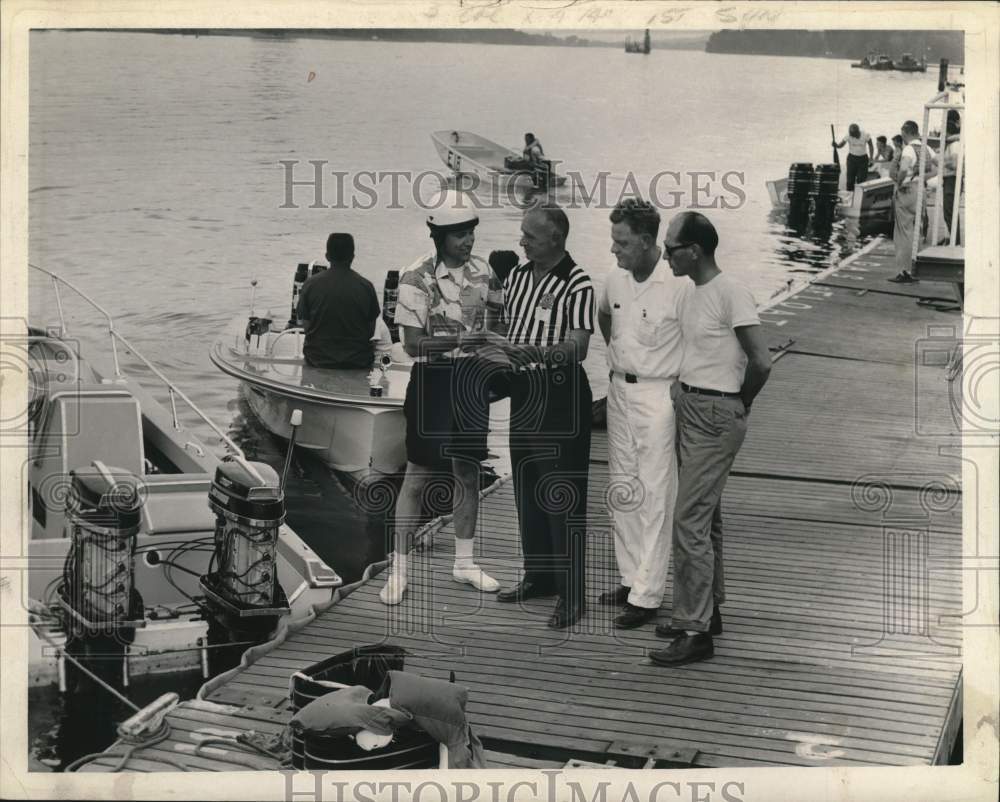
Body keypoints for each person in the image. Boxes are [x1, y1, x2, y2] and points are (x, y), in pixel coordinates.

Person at [649, 212, 772, 667]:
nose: (665, 255)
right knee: (705, 516)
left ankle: (694, 632)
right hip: (691, 406)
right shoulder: (689, 292)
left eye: (671, 248)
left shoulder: (730, 291)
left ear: (694, 250)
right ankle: (707, 611)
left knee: (688, 521)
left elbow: (761, 361)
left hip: (717, 414)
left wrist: (739, 402)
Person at [378, 189, 503, 605]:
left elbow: (497, 325)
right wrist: (465, 339)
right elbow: (412, 344)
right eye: (460, 234)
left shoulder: (485, 273)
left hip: (471, 380)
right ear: (439, 236)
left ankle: (464, 563)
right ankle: (398, 571)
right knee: (417, 475)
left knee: (467, 471)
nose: (469, 241)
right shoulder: (415, 277)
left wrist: (491, 359)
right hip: (432, 380)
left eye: (471, 232)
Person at [494, 204, 595, 629]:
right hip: (524, 391)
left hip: (560, 393)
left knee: (561, 495)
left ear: (556, 238)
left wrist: (538, 352)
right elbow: (504, 327)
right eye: (522, 234)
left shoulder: (578, 283)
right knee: (528, 486)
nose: (522, 242)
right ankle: (539, 575)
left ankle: (572, 594)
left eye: (530, 237)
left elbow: (578, 347)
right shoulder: (517, 276)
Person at [597, 198, 690, 630]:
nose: (614, 249)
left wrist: (679, 381)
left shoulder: (678, 285)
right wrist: (622, 357)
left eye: (622, 242)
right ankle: (630, 577)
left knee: (655, 492)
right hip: (619, 388)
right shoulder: (614, 279)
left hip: (658, 394)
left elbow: (700, 339)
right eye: (613, 240)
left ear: (648, 241)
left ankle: (648, 594)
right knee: (623, 487)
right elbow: (605, 318)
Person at [296, 233, 381, 369]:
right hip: (358, 361)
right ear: (352, 257)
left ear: (327, 256)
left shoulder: (310, 284)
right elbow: (370, 331)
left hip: (317, 359)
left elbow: (306, 326)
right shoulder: (366, 286)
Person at [889, 120, 938, 284]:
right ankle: (916, 269)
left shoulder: (909, 149)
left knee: (903, 232)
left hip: (907, 190)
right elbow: (939, 167)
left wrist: (899, 182)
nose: (902, 137)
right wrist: (924, 177)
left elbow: (903, 168)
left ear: (906, 132)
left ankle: (905, 271)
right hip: (920, 191)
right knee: (917, 230)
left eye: (903, 134)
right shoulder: (927, 148)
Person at [941, 110, 962, 246]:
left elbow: (955, 164)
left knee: (950, 210)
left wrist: (942, 162)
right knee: (948, 210)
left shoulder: (954, 145)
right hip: (949, 179)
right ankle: (952, 238)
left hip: (952, 179)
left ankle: (955, 240)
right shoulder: (952, 143)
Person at [833, 123, 874, 191]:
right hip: (852, 159)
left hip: (863, 159)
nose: (853, 137)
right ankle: (849, 194)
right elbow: (841, 145)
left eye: (854, 135)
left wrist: (871, 158)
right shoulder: (848, 135)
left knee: (861, 180)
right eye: (851, 135)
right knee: (850, 180)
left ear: (858, 132)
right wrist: (836, 145)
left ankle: (860, 194)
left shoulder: (866, 135)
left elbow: (871, 146)